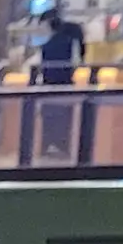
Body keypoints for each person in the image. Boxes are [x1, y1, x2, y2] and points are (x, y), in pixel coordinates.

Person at [34, 10, 82, 163]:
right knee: (64, 119)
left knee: (49, 118)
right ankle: (62, 146)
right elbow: (76, 63)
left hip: (49, 86)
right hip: (66, 86)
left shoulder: (45, 46)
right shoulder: (71, 42)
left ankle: (47, 146)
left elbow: (40, 67)